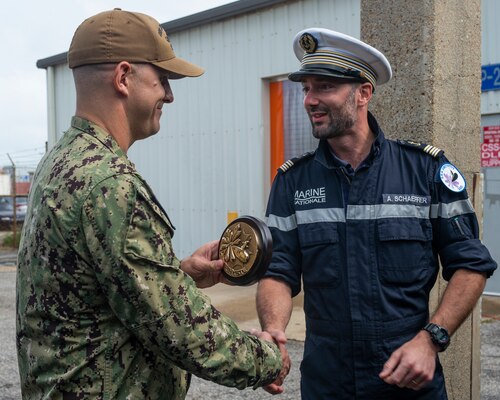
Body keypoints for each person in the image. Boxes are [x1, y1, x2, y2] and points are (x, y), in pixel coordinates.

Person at [16, 9, 286, 399]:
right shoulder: (111, 185)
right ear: (124, 77)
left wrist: (180, 274)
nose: (170, 95)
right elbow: (181, 329)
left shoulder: (61, 160)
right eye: (162, 80)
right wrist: (267, 360)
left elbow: (87, 288)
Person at [256, 27, 497, 399]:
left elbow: (471, 264)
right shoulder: (292, 182)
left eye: (324, 87)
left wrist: (432, 340)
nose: (309, 100)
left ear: (363, 93)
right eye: (306, 89)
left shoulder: (425, 171)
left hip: (407, 379)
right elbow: (278, 271)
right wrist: (274, 333)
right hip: (327, 381)